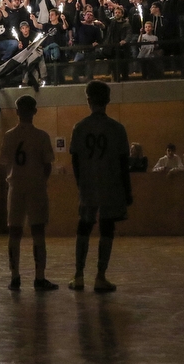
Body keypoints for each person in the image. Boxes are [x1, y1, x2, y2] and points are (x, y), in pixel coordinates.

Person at [68, 81, 133, 292]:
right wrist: (127, 190)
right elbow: (124, 163)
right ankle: (100, 276)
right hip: (111, 184)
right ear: (108, 100)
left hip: (88, 183)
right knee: (107, 227)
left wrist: (80, 184)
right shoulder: (117, 129)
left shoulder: (80, 127)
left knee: (84, 226)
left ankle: (78, 275)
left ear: (88, 100)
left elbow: (76, 161)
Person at [0, 95, 58, 291]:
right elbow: (47, 164)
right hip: (36, 186)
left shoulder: (9, 135)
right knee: (38, 232)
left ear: (17, 112)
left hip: (15, 185)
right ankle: (39, 277)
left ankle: (15, 277)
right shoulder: (41, 136)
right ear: (35, 111)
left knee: (14, 232)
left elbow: (5, 163)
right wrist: (41, 180)